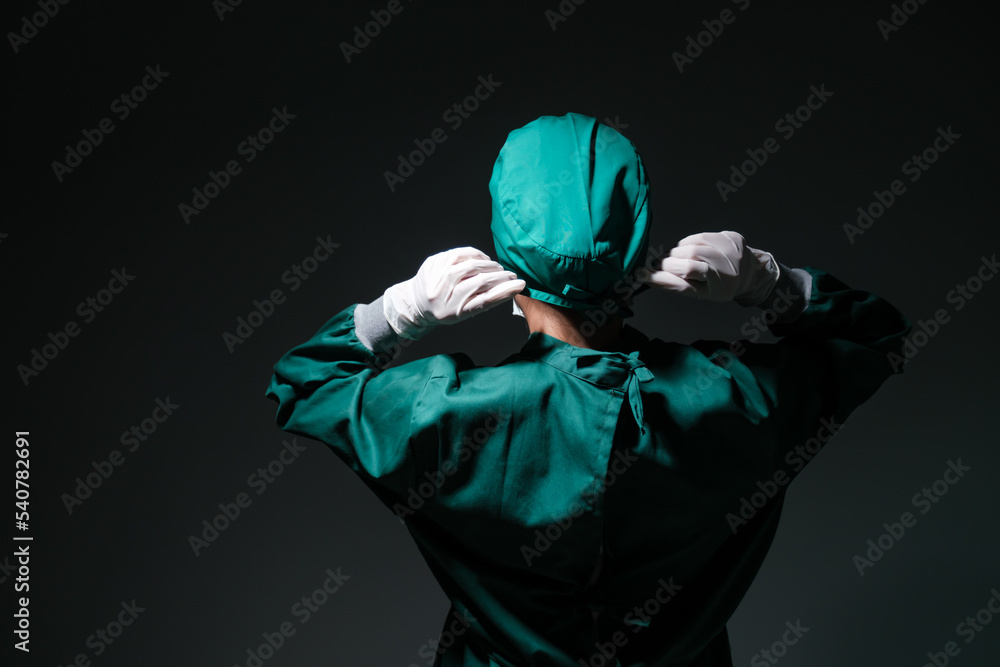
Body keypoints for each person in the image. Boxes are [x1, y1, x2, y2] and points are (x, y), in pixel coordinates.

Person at [265, 113, 913, 666]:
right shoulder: (734, 401)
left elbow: (302, 381)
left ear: (508, 256)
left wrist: (400, 310)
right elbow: (877, 337)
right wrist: (772, 283)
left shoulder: (446, 415)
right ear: (637, 251)